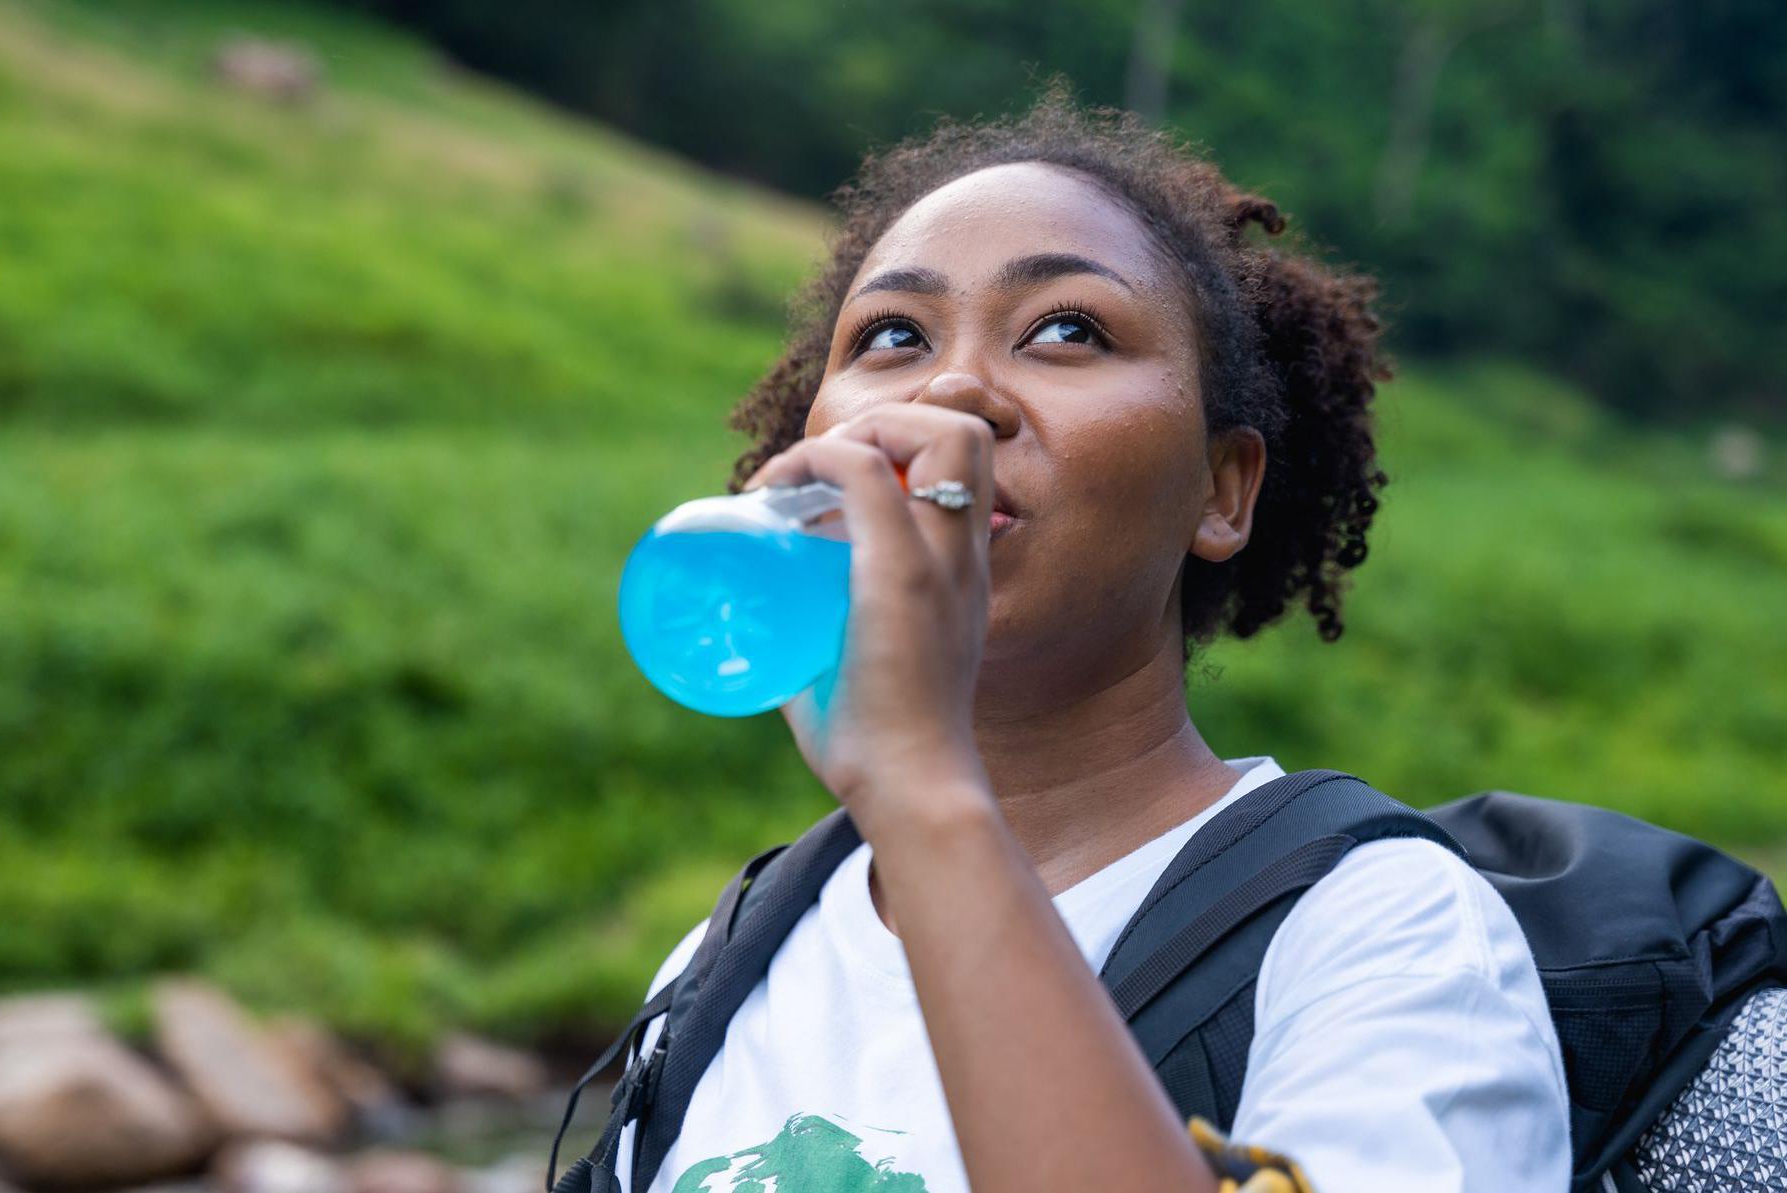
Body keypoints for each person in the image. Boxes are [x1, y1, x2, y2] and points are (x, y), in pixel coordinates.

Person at [613, 89, 1571, 1192]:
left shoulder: (1385, 938)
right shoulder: (725, 965)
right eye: (892, 336)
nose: (955, 389)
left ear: (1222, 491)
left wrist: (921, 787)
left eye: (1068, 329)